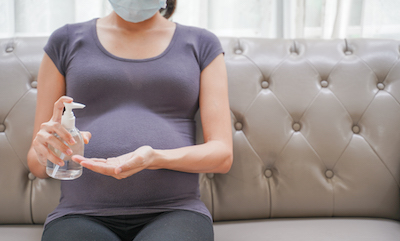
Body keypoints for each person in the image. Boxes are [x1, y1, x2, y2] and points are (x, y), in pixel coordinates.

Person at [27, 0, 233, 240]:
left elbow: (222, 156)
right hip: (79, 214)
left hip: (175, 212)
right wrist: (47, 150)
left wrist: (154, 158)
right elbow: (36, 164)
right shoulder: (65, 41)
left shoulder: (202, 43)